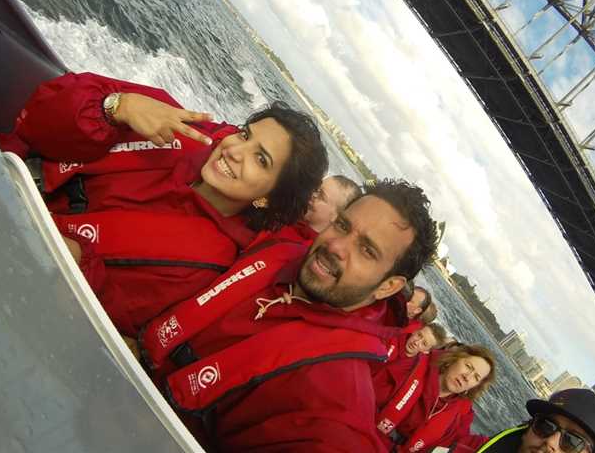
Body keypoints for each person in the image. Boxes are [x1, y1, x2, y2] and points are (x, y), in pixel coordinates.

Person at [0, 71, 328, 335]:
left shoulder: (202, 264)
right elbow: (40, 113)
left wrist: (78, 259)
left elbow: (110, 319)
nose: (234, 150)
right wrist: (116, 107)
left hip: (16, 269)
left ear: (267, 197)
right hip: (3, 175)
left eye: (261, 159)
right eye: (245, 134)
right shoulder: (169, 122)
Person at [137, 178, 439, 452]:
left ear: (388, 286)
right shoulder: (277, 250)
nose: (336, 246)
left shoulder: (333, 403)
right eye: (344, 226)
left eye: (367, 250)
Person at [373, 344, 496, 453]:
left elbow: (462, 444)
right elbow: (367, 398)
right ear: (455, 359)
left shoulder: (460, 416)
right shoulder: (411, 367)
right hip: (371, 437)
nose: (467, 377)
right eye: (468, 366)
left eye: (476, 377)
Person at [450, 388, 595, 453]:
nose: (551, 442)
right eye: (546, 425)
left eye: (572, 441)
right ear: (528, 428)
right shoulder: (458, 448)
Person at [251, 174, 361, 249]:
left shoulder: (307, 254)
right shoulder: (287, 211)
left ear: (336, 217)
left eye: (321, 196)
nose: (313, 195)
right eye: (316, 189)